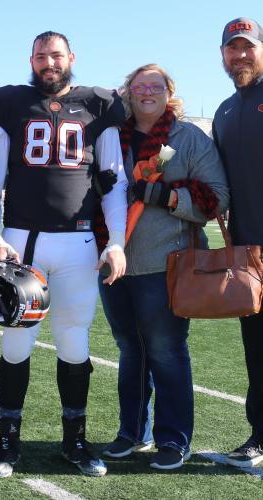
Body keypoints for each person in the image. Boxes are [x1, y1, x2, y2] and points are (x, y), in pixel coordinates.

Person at [0, 31, 128, 479]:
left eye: (56, 55)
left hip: (79, 242)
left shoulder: (99, 104)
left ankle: (75, 441)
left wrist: (114, 240)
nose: (49, 63)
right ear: (31, 59)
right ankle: (7, 441)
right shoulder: (9, 102)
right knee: (17, 341)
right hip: (23, 242)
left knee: (75, 342)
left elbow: (113, 181)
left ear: (71, 58)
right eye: (41, 56)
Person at [97, 63, 228, 470]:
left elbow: (217, 198)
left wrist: (166, 197)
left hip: (166, 263)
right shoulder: (109, 138)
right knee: (129, 350)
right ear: (128, 92)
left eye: (156, 86)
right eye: (140, 86)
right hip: (113, 263)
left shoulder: (188, 138)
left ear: (169, 92)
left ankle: (174, 439)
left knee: (167, 351)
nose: (147, 92)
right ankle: (134, 431)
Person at [213, 17, 263, 468]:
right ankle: (258, 437)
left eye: (248, 47)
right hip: (248, 252)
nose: (240, 55)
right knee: (256, 349)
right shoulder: (226, 111)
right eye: (233, 48)